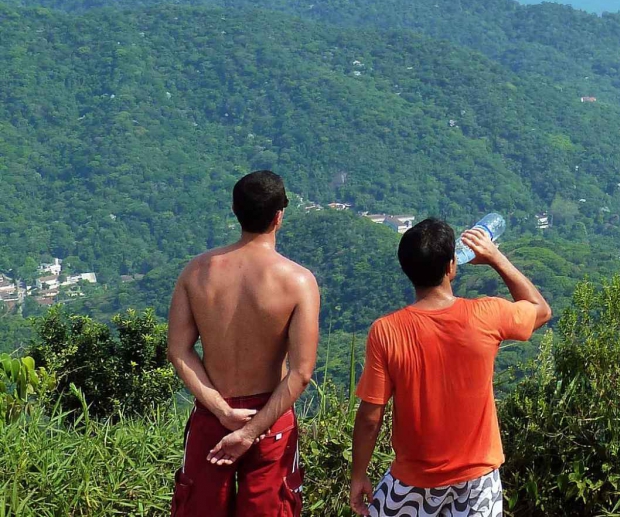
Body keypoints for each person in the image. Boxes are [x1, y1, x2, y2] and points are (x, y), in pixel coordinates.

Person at [349, 218, 551, 517]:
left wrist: (359, 476)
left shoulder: (386, 331)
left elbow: (370, 417)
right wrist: (495, 257)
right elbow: (541, 310)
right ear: (451, 266)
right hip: (478, 480)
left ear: (406, 270)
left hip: (413, 480)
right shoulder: (487, 314)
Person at [166, 170, 321, 516]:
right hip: (271, 417)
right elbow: (301, 373)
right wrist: (251, 430)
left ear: (235, 211)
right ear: (279, 216)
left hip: (212, 414)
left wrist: (222, 411)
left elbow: (178, 350)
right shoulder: (298, 282)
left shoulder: (196, 272)